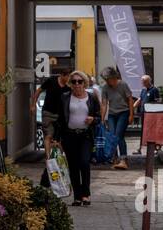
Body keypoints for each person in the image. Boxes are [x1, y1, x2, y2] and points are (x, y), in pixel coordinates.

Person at [52, 70, 101, 206]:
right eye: (74, 82)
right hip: (69, 136)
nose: (77, 84)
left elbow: (99, 117)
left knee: (84, 163)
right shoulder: (65, 97)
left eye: (80, 81)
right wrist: (56, 138)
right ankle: (77, 196)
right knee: (73, 166)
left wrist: (93, 119)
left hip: (85, 135)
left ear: (84, 83)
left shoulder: (91, 97)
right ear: (70, 84)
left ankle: (86, 194)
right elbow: (60, 120)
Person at [100, 66, 135, 169]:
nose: (107, 81)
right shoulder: (105, 88)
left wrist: (131, 115)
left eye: (108, 79)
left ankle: (123, 160)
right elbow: (104, 104)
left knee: (118, 135)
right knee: (112, 136)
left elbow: (130, 99)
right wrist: (102, 119)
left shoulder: (123, 84)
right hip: (112, 114)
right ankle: (115, 158)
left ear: (114, 77)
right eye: (105, 79)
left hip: (123, 112)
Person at [136, 73, 160, 153]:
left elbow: (158, 101)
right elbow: (139, 100)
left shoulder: (154, 90)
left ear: (148, 82)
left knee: (152, 131)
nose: (142, 83)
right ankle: (140, 148)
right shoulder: (143, 90)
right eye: (142, 82)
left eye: (143, 82)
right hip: (143, 113)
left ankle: (155, 148)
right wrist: (131, 108)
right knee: (143, 131)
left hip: (151, 114)